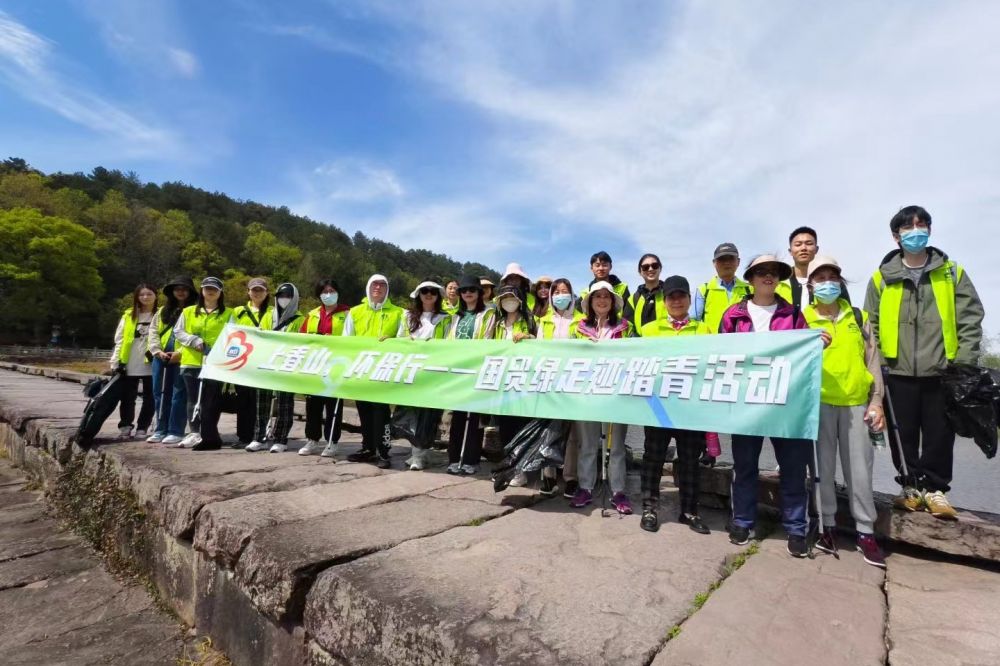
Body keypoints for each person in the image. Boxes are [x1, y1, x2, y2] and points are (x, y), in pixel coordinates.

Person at [864, 205, 984, 519]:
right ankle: (910, 487)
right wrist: (878, 367)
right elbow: (870, 326)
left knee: (939, 434)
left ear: (929, 230)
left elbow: (970, 319)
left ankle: (936, 490)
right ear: (896, 236)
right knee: (901, 434)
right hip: (897, 370)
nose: (914, 232)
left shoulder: (952, 272)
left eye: (921, 225)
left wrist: (963, 363)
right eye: (907, 227)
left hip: (942, 370)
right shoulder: (881, 278)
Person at [719, 255, 811, 557]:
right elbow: (721, 354)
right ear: (750, 278)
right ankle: (742, 521)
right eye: (761, 272)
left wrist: (817, 344)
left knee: (793, 467)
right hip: (746, 403)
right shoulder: (733, 315)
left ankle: (797, 528)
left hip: (786, 402)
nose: (767, 276)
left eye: (773, 272)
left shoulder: (793, 313)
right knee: (745, 465)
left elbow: (804, 356)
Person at [804, 255, 886, 567]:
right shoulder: (803, 319)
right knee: (822, 470)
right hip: (819, 404)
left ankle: (866, 532)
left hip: (856, 403)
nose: (827, 283)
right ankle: (827, 527)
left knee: (860, 470)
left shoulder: (858, 316)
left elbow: (872, 361)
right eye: (820, 278)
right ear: (811, 285)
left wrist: (876, 400)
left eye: (832, 277)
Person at [637, 276, 712, 534]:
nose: (677, 301)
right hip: (657, 407)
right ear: (664, 300)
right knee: (653, 458)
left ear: (689, 300)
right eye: (671, 296)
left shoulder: (704, 330)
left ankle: (689, 511)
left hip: (691, 408)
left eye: (682, 296)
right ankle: (649, 508)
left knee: (690, 460)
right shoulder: (648, 330)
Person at [570, 281, 634, 514]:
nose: (602, 300)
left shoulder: (626, 327)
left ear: (613, 302)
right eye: (597, 296)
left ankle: (618, 491)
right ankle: (585, 487)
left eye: (607, 296)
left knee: (616, 446)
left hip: (616, 395)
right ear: (589, 302)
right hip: (586, 394)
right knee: (587, 444)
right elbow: (568, 355)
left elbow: (636, 355)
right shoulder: (578, 328)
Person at [344, 274, 404, 468]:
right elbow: (346, 340)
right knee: (364, 410)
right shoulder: (355, 312)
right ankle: (368, 448)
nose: (378, 288)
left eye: (382, 285)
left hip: (383, 370)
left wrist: (391, 341)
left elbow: (404, 340)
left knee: (381, 412)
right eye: (374, 284)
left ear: (387, 289)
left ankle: (383, 451)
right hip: (361, 370)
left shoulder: (399, 313)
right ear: (368, 287)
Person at [173, 277, 234, 450]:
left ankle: (209, 433)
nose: (210, 291)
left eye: (214, 289)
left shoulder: (229, 313)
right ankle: (194, 432)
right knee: (192, 399)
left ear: (220, 292)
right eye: (207, 288)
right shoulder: (188, 311)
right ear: (201, 291)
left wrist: (219, 349)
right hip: (191, 361)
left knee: (211, 400)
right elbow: (178, 331)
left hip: (216, 363)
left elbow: (233, 335)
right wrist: (194, 340)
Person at [398, 280, 452, 470]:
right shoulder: (407, 316)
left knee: (428, 415)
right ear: (418, 294)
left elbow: (449, 342)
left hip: (433, 372)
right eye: (424, 291)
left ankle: (419, 454)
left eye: (433, 292)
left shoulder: (446, 318)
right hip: (412, 370)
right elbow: (400, 338)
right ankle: (417, 452)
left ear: (438, 296)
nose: (428, 294)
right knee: (411, 413)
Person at [446, 275, 497, 475]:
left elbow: (487, 339)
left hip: (477, 368)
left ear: (479, 292)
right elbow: (450, 341)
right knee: (458, 416)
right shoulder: (455, 316)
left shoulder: (488, 313)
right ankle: (454, 458)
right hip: (458, 370)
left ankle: (471, 459)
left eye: (472, 290)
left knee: (475, 417)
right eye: (464, 290)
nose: (468, 293)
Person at [537, 278, 583, 496]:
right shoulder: (544, 321)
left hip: (573, 382)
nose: (560, 295)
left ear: (571, 295)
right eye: (556, 292)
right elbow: (537, 349)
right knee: (549, 430)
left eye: (564, 291)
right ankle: (548, 476)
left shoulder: (581, 320)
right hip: (549, 381)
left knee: (573, 434)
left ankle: (571, 477)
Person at [246, 283, 304, 453]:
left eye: (288, 296)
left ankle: (281, 438)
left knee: (285, 404)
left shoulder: (300, 319)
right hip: (267, 363)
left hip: (287, 366)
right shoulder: (268, 316)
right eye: (280, 296)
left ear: (294, 299)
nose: (283, 299)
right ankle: (259, 437)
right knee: (261, 403)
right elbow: (261, 335)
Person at [297, 279, 351, 458]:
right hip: (314, 366)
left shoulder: (347, 313)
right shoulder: (312, 314)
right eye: (324, 291)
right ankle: (312, 439)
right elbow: (301, 337)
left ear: (338, 292)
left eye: (332, 291)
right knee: (313, 405)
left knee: (333, 406)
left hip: (336, 366)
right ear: (319, 295)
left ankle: (332, 441)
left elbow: (353, 338)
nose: (328, 295)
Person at [146, 276, 196, 445]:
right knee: (159, 392)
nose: (180, 292)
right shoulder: (162, 311)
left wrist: (180, 353)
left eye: (184, 289)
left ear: (190, 292)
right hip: (161, 356)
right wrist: (157, 350)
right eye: (177, 289)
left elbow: (196, 335)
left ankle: (175, 430)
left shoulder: (194, 311)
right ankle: (160, 429)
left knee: (179, 393)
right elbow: (153, 331)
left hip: (183, 357)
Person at [110, 284, 158, 440]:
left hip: (151, 361)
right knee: (127, 397)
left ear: (156, 296)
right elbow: (120, 339)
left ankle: (142, 428)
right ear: (137, 297)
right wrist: (116, 361)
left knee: (150, 398)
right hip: (130, 361)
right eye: (142, 294)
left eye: (149, 294)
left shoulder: (160, 315)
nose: (145, 297)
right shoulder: (129, 315)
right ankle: (125, 426)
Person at [233, 278, 272, 448]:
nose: (257, 293)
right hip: (243, 361)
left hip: (263, 362)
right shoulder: (238, 311)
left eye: (261, 290)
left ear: (267, 292)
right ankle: (243, 436)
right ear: (248, 292)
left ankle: (260, 435)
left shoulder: (273, 312)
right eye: (254, 290)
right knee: (243, 400)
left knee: (261, 402)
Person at [691, 243, 751, 333]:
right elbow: (693, 322)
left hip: (743, 341)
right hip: (712, 341)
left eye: (731, 258)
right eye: (722, 259)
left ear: (738, 262)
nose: (726, 262)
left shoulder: (750, 289)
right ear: (714, 263)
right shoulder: (703, 290)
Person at [776, 227, 819, 314]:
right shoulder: (778, 282)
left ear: (816, 249)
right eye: (798, 244)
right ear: (790, 251)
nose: (803, 248)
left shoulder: (830, 281)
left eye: (809, 243)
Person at [579, 251, 630, 315]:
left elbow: (628, 314)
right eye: (597, 265)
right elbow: (578, 316)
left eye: (604, 265)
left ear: (610, 267)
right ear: (591, 268)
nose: (601, 268)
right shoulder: (585, 293)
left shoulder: (623, 288)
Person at [627, 253, 666, 335]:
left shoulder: (670, 294)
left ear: (660, 268)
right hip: (641, 343)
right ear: (640, 272)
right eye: (645, 267)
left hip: (667, 342)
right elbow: (628, 326)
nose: (650, 269)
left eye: (654, 265)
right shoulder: (633, 299)